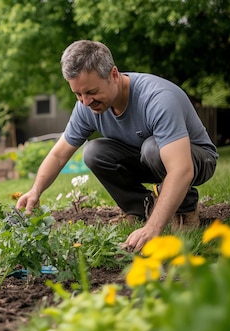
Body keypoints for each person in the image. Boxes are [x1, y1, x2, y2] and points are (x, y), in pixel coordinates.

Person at [16, 40, 218, 253]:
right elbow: (58, 155)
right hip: (148, 157)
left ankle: (185, 211)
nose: (85, 101)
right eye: (78, 94)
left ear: (113, 74)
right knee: (94, 152)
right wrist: (35, 191)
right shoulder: (86, 106)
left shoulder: (157, 99)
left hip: (196, 159)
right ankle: (141, 209)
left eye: (91, 92)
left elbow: (182, 170)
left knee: (153, 148)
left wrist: (153, 229)